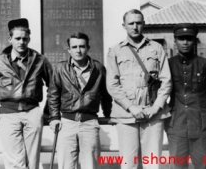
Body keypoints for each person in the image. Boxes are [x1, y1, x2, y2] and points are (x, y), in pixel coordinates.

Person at [106, 9, 172, 169]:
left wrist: (156, 107)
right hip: (127, 115)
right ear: (124, 26)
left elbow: (166, 80)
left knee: (152, 163)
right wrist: (132, 107)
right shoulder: (115, 51)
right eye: (131, 23)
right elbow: (112, 85)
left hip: (153, 114)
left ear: (143, 24)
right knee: (129, 164)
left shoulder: (156, 48)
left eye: (138, 23)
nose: (135, 27)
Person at [0, 18, 53, 169]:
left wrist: (47, 112)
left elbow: (53, 87)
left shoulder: (40, 60)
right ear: (10, 39)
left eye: (25, 38)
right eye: (17, 38)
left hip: (32, 112)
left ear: (29, 39)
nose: (21, 42)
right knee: (15, 163)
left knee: (32, 161)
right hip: (8, 115)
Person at [48, 32, 112, 169]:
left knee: (91, 165)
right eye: (74, 47)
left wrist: (108, 114)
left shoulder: (99, 68)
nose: (78, 50)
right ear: (69, 49)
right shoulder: (60, 68)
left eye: (82, 46)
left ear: (88, 47)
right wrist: (54, 117)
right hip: (67, 123)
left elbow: (106, 95)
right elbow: (53, 94)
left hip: (89, 122)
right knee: (66, 165)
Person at [165, 23, 206, 169]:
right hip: (177, 126)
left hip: (201, 126)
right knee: (177, 166)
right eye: (181, 39)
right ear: (175, 40)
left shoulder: (204, 64)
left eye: (189, 38)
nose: (185, 42)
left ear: (194, 40)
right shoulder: (167, 65)